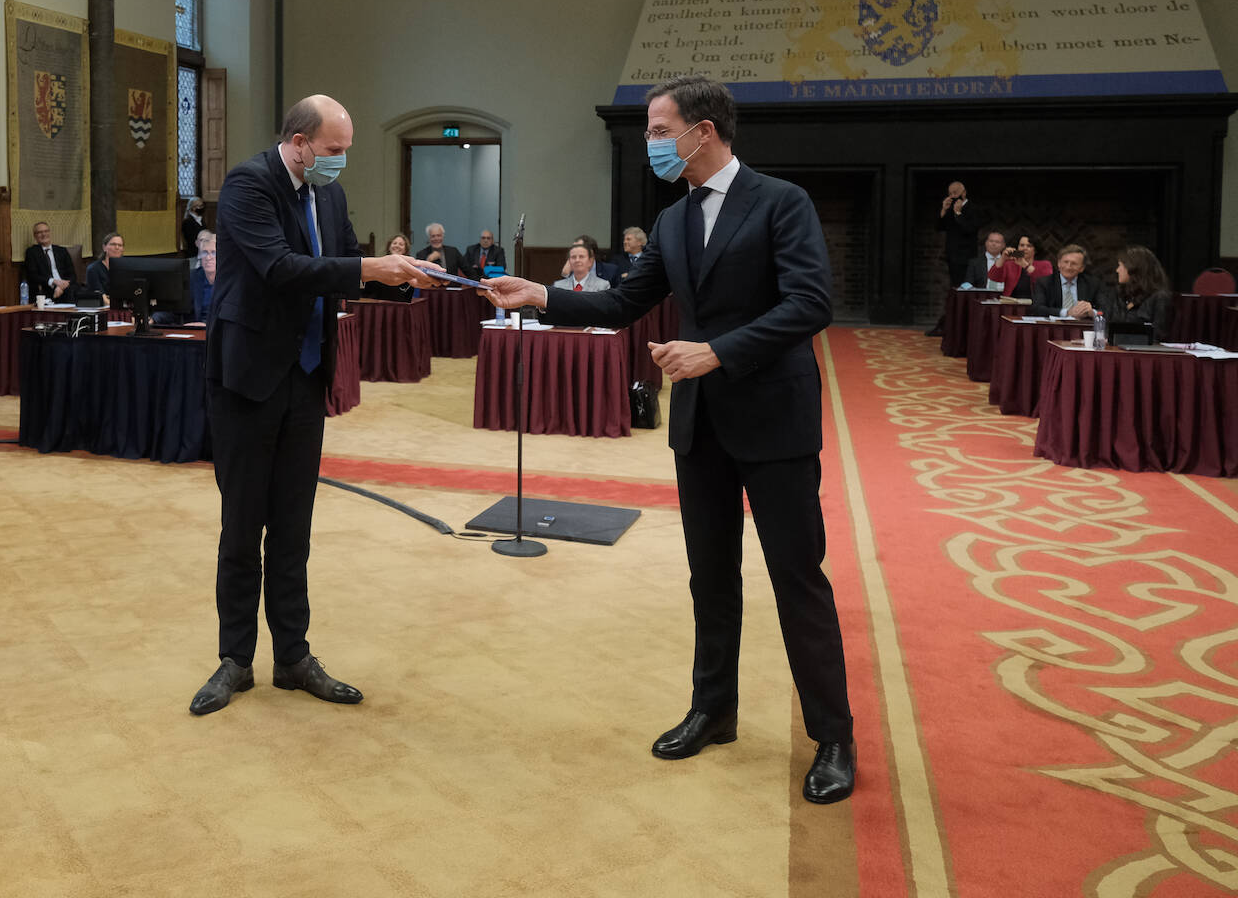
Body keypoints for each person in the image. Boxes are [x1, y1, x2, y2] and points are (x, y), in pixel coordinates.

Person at [484, 74, 856, 806]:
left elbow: (811, 303)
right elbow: (625, 301)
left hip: (774, 421)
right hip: (702, 426)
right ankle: (714, 710)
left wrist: (717, 351)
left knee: (797, 578)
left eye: (659, 131)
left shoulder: (782, 202)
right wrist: (542, 296)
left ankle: (833, 737)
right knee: (710, 578)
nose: (651, 144)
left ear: (703, 132)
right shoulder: (674, 220)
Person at [190, 95, 442, 717]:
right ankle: (235, 659)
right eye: (334, 150)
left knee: (293, 525)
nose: (341, 161)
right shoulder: (248, 184)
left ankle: (293, 657)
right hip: (249, 379)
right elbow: (283, 268)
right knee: (243, 525)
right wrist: (372, 267)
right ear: (299, 142)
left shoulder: (328, 192)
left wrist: (407, 280)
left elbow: (343, 267)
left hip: (305, 377)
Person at [931, 181, 977, 335]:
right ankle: (950, 325)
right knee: (954, 290)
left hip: (967, 259)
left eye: (955, 193)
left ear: (964, 193)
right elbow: (939, 227)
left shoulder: (972, 209)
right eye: (950, 193)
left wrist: (958, 214)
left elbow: (969, 229)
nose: (953, 196)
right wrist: (944, 210)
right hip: (952, 258)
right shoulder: (950, 209)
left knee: (963, 292)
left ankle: (961, 326)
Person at [1102, 245, 1173, 341]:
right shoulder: (1118, 294)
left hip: (1142, 349)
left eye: (1121, 265)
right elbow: (1106, 328)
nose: (1117, 270)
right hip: (1114, 347)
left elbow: (1158, 336)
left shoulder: (1160, 297)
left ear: (1133, 268)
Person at [1030, 244, 1106, 320]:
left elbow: (1105, 310)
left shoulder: (1093, 284)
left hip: (1082, 325)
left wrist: (1092, 312)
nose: (1068, 267)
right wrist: (1067, 313)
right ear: (1059, 263)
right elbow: (1037, 309)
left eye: (1074, 263)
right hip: (1054, 325)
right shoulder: (1044, 282)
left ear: (1082, 268)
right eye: (1065, 262)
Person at [22, 220, 77, 303]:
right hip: (46, 287)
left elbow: (72, 274)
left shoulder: (62, 251)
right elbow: (33, 276)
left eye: (46, 231)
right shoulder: (32, 252)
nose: (44, 234)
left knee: (77, 292)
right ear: (35, 236)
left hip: (65, 287)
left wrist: (61, 287)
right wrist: (53, 281)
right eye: (40, 232)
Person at [989, 235, 1051, 300]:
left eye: (1029, 246)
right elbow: (993, 277)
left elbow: (1046, 282)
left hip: (1036, 303)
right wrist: (1002, 258)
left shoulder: (1045, 265)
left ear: (1035, 250)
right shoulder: (1010, 264)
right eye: (1022, 245)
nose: (1025, 248)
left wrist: (1025, 265)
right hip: (1011, 302)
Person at [360, 234, 418, 301]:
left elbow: (409, 296)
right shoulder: (379, 264)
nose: (397, 246)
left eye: (401, 244)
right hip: (376, 303)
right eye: (394, 243)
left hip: (399, 304)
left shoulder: (409, 268)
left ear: (405, 250)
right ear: (389, 247)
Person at [83, 232, 123, 299]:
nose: (117, 247)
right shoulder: (93, 269)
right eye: (113, 244)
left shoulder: (126, 268)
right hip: (102, 304)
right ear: (104, 247)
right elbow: (100, 295)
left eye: (120, 245)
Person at [189, 244, 217, 322]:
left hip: (218, 327)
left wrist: (205, 324)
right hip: (194, 326)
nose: (208, 257)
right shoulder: (192, 276)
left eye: (214, 253)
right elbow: (176, 310)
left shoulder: (231, 280)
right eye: (204, 253)